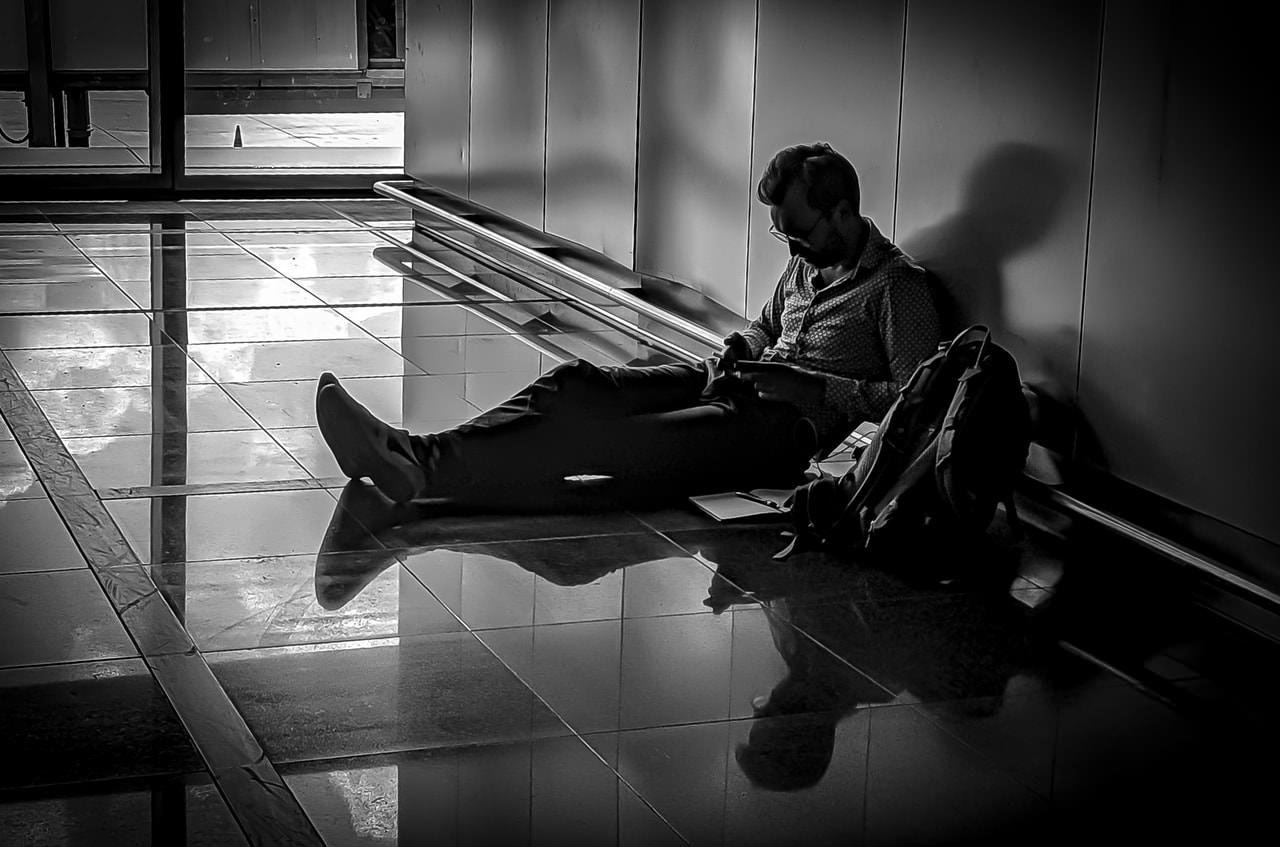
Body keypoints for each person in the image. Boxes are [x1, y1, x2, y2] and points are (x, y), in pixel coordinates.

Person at [315, 142, 940, 507]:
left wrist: (818, 389)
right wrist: (740, 345)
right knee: (575, 385)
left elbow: (916, 406)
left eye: (799, 232)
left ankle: (418, 463)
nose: (791, 248)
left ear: (844, 212)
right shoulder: (806, 264)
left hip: (783, 431)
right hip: (729, 382)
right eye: (782, 233)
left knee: (613, 442)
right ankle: (413, 456)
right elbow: (764, 324)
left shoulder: (898, 289)